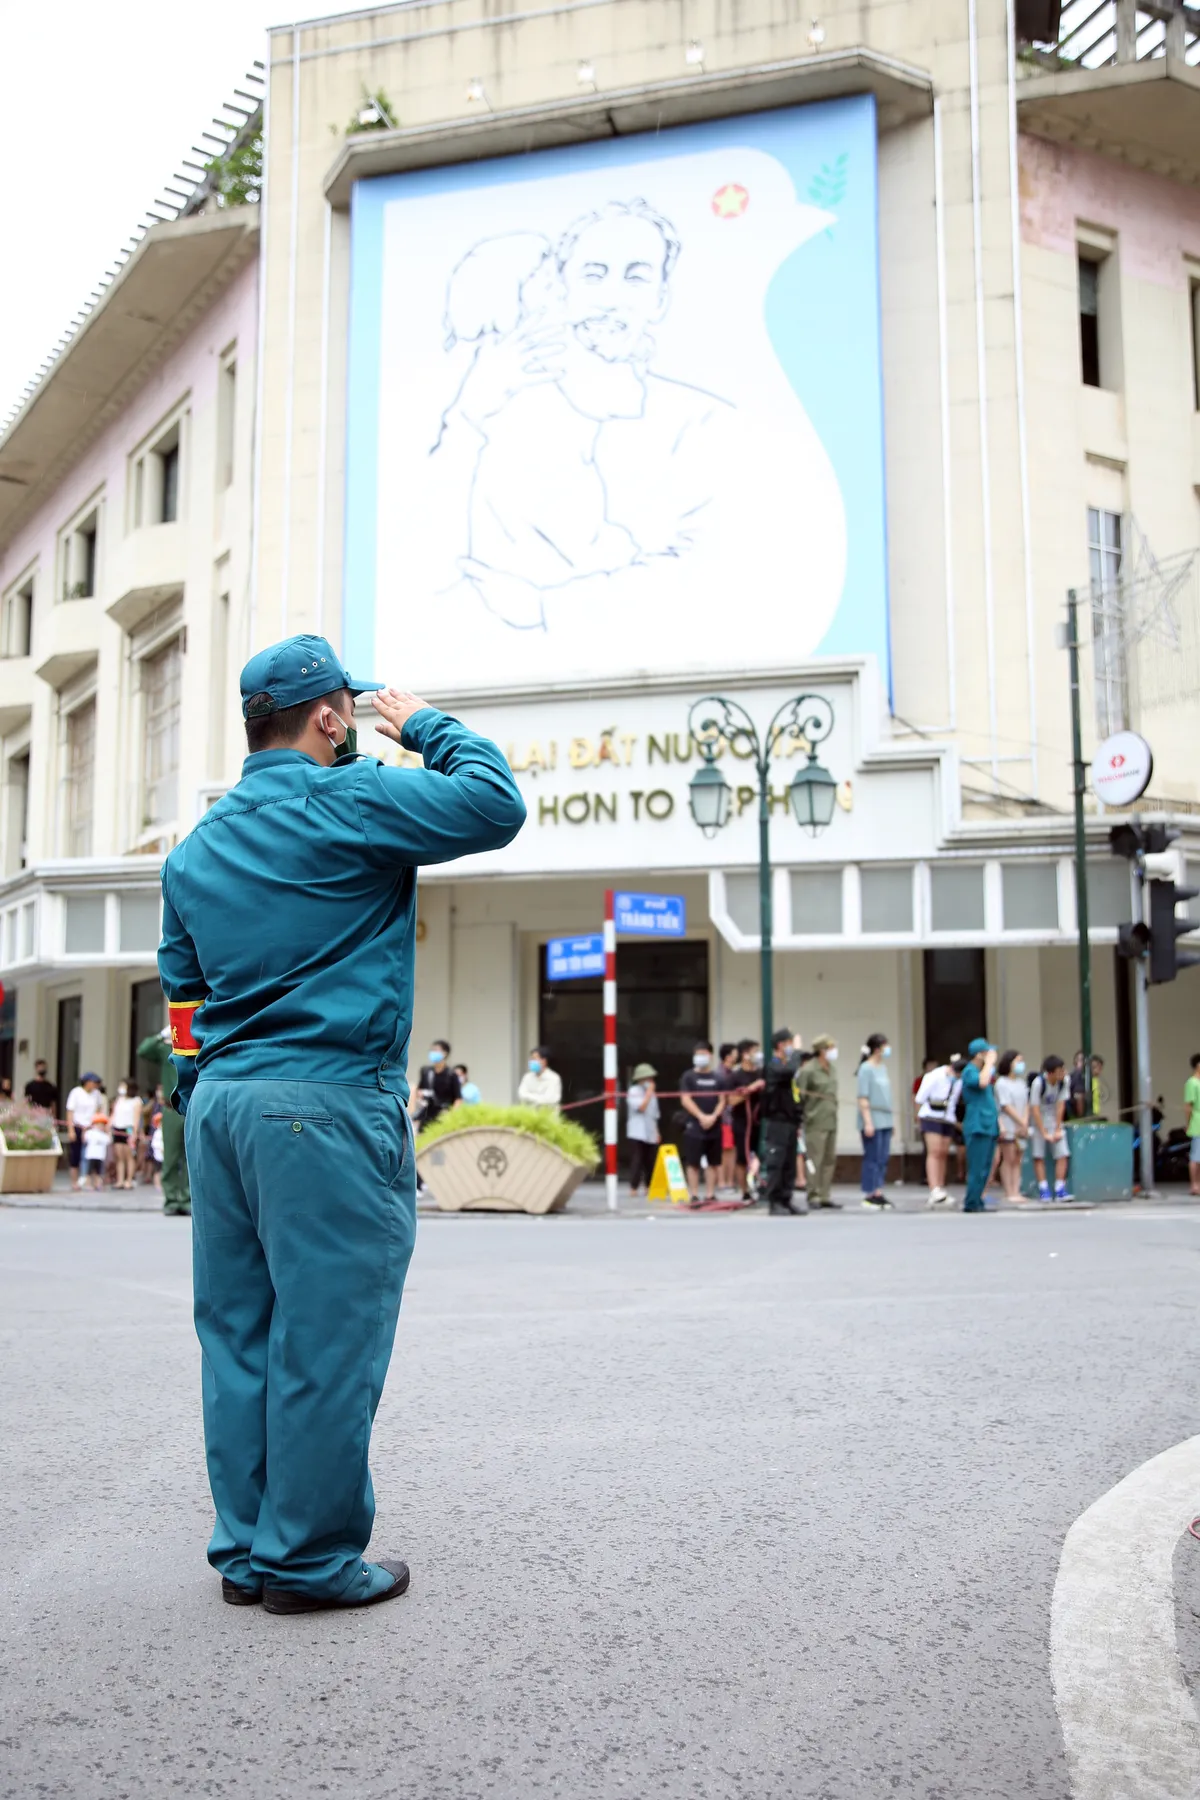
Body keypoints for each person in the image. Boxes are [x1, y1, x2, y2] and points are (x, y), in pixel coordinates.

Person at [157, 633, 524, 1614]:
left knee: (239, 1335)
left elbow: (182, 1000)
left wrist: (202, 1096)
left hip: (225, 1109)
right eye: (349, 713)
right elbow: (496, 804)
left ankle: (246, 1549)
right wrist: (422, 724)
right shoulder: (352, 801)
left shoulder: (194, 851)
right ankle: (309, 1561)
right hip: (321, 1101)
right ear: (330, 716)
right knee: (322, 1339)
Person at [137, 1028, 191, 1216]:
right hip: (171, 1109)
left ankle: (185, 1199)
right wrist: (161, 1035)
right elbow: (143, 1050)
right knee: (170, 1157)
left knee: (189, 1158)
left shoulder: (194, 1048)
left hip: (192, 1107)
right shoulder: (167, 1050)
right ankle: (171, 1199)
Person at [760, 1028, 806, 1217]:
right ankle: (774, 1201)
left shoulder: (787, 1066)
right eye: (788, 1043)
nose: (790, 1047)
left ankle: (786, 1199)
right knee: (776, 1162)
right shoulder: (773, 1066)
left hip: (790, 1120)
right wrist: (796, 1052)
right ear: (780, 1045)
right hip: (777, 1120)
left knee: (789, 1163)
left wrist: (798, 1118)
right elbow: (789, 1071)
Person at [679, 1040, 728, 1206]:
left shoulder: (718, 1078)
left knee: (713, 1163)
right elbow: (685, 1100)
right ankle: (693, 1195)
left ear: (710, 1055)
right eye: (697, 1055)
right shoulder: (688, 1077)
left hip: (714, 1126)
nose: (700, 1058)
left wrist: (713, 1116)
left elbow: (723, 1100)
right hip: (694, 1126)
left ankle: (710, 1194)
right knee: (693, 1162)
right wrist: (701, 1116)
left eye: (703, 1054)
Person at [797, 1035, 840, 1209]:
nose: (833, 1051)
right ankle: (813, 1193)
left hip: (831, 1119)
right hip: (815, 1120)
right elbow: (800, 1095)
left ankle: (825, 1194)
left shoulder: (832, 1068)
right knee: (816, 1158)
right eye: (830, 1048)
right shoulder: (808, 1070)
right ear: (821, 1050)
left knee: (829, 1159)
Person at [960, 1038, 1000, 1213]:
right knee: (977, 1167)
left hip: (988, 1124)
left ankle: (978, 1200)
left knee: (986, 1166)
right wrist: (989, 1063)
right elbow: (982, 1082)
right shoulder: (970, 1071)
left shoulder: (984, 1071)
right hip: (977, 1125)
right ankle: (971, 1201)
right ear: (979, 1055)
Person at [856, 1034, 895, 1210]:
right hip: (872, 1119)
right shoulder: (866, 1069)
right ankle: (870, 1192)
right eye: (885, 1046)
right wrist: (868, 1122)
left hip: (885, 1119)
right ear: (877, 1048)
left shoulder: (883, 1068)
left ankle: (878, 1190)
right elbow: (863, 1097)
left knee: (883, 1157)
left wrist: (891, 1122)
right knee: (872, 1157)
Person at [914, 1057, 957, 1207]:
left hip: (948, 1118)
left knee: (943, 1152)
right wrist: (918, 1118)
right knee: (935, 1151)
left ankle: (941, 1186)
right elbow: (919, 1098)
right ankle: (934, 1188)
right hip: (931, 1117)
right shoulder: (933, 1076)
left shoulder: (957, 1080)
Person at [1029, 1056, 1072, 1201]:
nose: (1063, 1073)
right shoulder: (1038, 1083)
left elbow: (1061, 1105)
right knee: (1038, 1155)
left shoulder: (1064, 1082)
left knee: (1062, 1154)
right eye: (1060, 1071)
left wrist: (1058, 1128)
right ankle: (1043, 1188)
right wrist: (1044, 1132)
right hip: (1038, 1121)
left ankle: (1060, 1187)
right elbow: (1034, 1109)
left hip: (1053, 1120)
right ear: (1050, 1073)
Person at [993, 1050, 1029, 1204]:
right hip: (1008, 1124)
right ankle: (1009, 1191)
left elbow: (1027, 1104)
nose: (1020, 1064)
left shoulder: (1021, 1083)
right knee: (1009, 1158)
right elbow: (1005, 1106)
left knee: (1018, 1159)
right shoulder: (1001, 1083)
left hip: (1022, 1125)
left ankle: (1016, 1190)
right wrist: (1020, 1122)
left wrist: (1025, 1122)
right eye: (1017, 1061)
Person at [625, 1062, 660, 1196]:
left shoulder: (653, 1094)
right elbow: (641, 1107)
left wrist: (657, 1131)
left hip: (650, 1131)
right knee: (637, 1160)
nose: (650, 1081)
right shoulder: (633, 1091)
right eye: (647, 1078)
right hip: (636, 1132)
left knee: (650, 1160)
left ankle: (649, 1186)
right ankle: (633, 1187)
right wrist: (648, 1093)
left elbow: (655, 1114)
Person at [64, 1071, 102, 1191]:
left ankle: (91, 1180)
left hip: (91, 1127)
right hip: (78, 1126)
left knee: (91, 1155)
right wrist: (71, 1130)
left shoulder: (97, 1094)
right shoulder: (76, 1093)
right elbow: (70, 1111)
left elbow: (98, 1110)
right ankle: (74, 1181)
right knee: (75, 1154)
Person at [413, 1040, 462, 1125]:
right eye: (432, 1050)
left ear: (445, 1053)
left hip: (443, 1116)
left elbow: (458, 1099)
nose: (433, 1053)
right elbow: (418, 1091)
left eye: (436, 1050)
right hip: (426, 1115)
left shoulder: (451, 1075)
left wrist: (451, 1115)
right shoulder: (426, 1072)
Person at [109, 1078, 143, 1191]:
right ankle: (120, 1180)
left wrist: (134, 1132)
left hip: (128, 1129)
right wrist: (109, 1124)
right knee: (119, 1156)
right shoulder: (119, 1099)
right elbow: (114, 1114)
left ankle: (129, 1180)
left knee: (129, 1155)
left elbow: (137, 1118)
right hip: (117, 1128)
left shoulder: (136, 1101)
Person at [718, 1042, 739, 1195]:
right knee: (725, 1150)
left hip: (733, 1117)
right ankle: (723, 1182)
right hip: (724, 1118)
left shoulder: (733, 1073)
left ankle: (730, 1181)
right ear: (728, 1057)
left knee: (732, 1150)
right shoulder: (721, 1074)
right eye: (735, 1053)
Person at [82, 1110, 111, 1191]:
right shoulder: (90, 1133)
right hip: (91, 1155)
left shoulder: (104, 1135)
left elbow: (108, 1141)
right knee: (89, 1171)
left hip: (100, 1156)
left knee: (99, 1172)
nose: (101, 1126)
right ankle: (88, 1184)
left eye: (102, 1125)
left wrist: (108, 1132)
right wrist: (85, 1130)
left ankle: (97, 1184)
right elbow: (84, 1139)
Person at [1185, 1053, 1200, 1198]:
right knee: (1196, 1156)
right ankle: (1194, 1185)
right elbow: (1188, 1106)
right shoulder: (1192, 1083)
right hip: (1197, 1122)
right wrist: (1188, 1123)